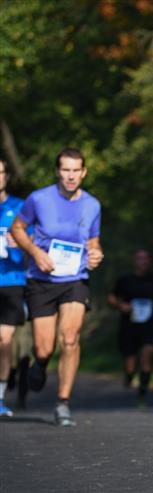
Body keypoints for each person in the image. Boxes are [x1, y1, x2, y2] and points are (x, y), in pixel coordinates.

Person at [10, 147, 103, 426]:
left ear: (84, 172)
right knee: (43, 348)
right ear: (57, 171)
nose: (70, 176)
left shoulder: (92, 205)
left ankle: (63, 403)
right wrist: (35, 253)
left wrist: (96, 254)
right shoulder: (39, 199)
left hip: (75, 278)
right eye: (65, 170)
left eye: (76, 170)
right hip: (42, 280)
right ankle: (40, 363)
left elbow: (93, 241)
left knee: (70, 338)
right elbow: (17, 228)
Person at [108, 249, 153, 404]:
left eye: (146, 258)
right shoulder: (125, 280)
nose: (143, 261)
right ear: (134, 261)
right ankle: (129, 375)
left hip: (150, 325)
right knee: (130, 362)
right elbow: (112, 297)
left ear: (149, 261)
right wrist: (121, 306)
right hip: (129, 326)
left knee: (147, 355)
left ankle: (143, 392)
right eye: (140, 258)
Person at [0, 158, 29, 417]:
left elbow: (35, 247)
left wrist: (20, 243)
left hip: (11, 282)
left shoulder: (19, 207)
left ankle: (0, 398)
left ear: (6, 176)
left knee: (5, 340)